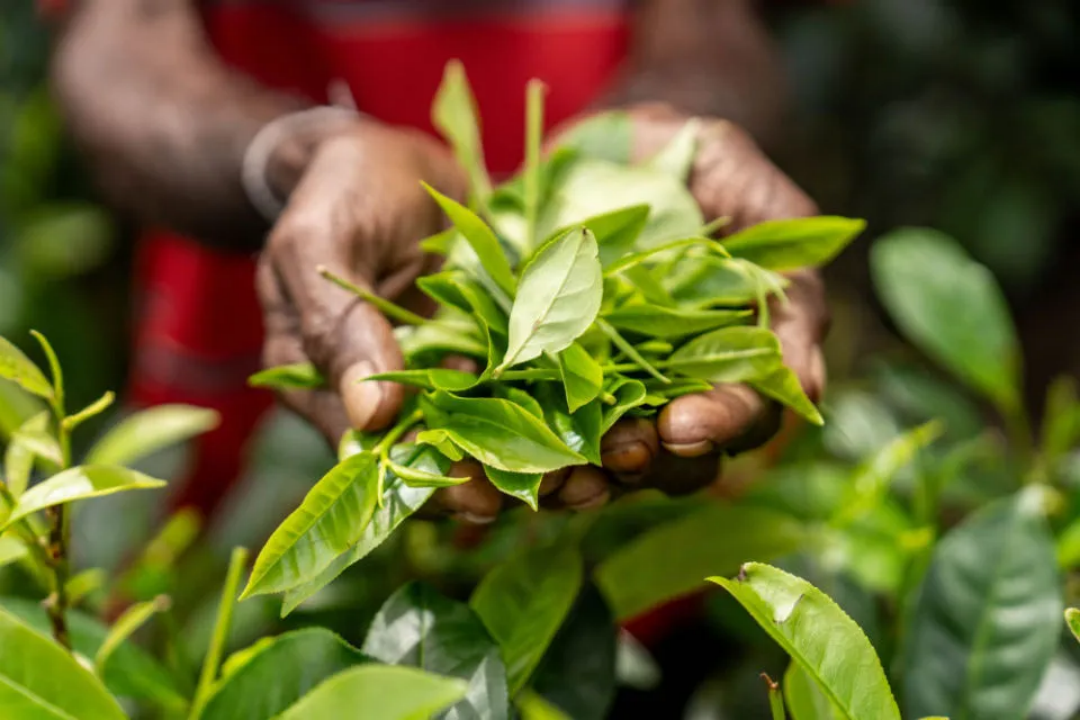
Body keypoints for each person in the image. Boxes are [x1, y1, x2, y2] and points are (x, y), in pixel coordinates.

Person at [42, 0, 828, 525]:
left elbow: (714, 18)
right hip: (250, 428)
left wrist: (678, 135)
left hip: (651, 529)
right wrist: (294, 160)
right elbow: (118, 41)